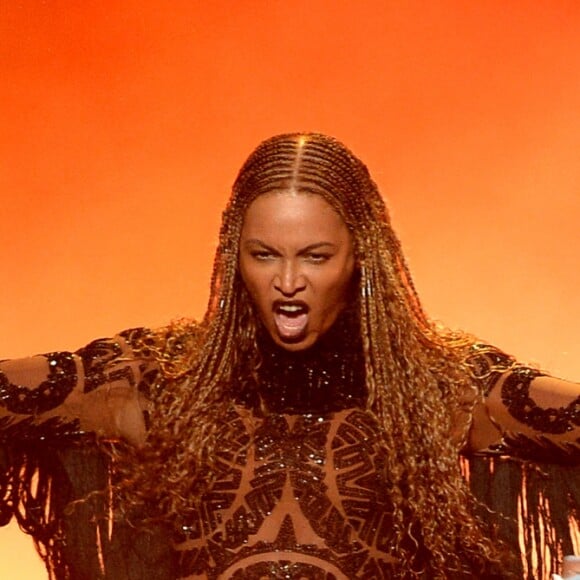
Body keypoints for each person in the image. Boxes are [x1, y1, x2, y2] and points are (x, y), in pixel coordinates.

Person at [0, 133, 578, 579]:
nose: (289, 281)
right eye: (265, 254)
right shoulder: (160, 380)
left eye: (316, 256)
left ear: (360, 258)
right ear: (234, 257)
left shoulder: (444, 387)